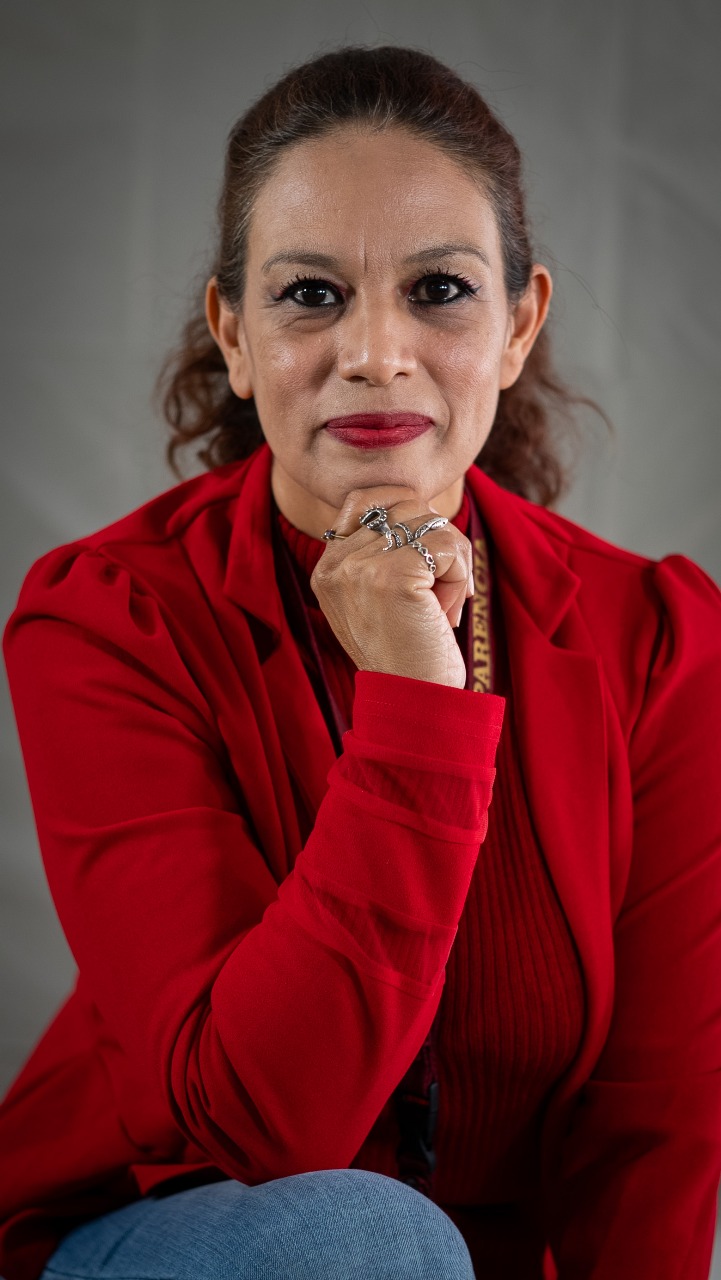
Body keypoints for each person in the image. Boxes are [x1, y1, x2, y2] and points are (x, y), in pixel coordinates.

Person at [1, 42, 720, 1280]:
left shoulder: (655, 638)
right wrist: (416, 702)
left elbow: (651, 1143)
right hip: (179, 1230)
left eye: (438, 289)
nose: (377, 350)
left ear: (517, 325)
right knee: (367, 1236)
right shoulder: (112, 616)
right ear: (234, 333)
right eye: (310, 294)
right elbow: (260, 1126)